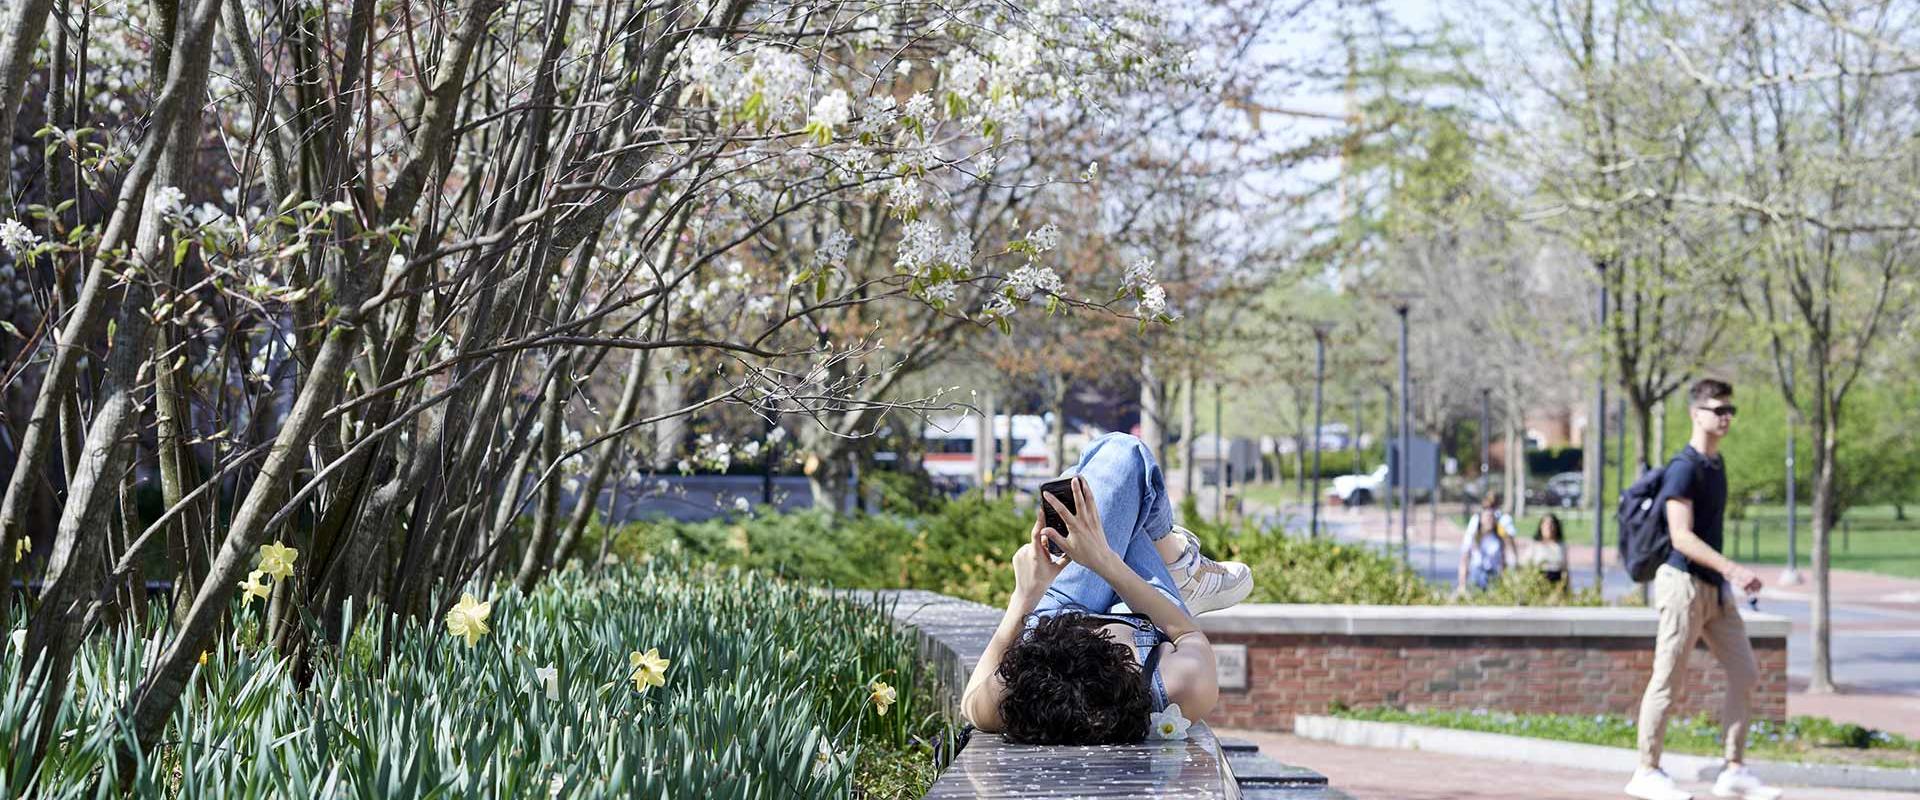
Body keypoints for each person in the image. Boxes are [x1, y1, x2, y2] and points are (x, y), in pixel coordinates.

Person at [960, 432, 1254, 744]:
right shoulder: (1177, 685)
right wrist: (1104, 561)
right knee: (1121, 455)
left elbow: (969, 704)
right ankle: (1179, 565)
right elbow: (1187, 632)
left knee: (1092, 485)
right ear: (1120, 662)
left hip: (1054, 611)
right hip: (1149, 611)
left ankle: (1172, 560)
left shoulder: (1018, 697)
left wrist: (1024, 597)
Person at [1625, 379, 1781, 800]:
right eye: (1717, 410)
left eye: (1730, 410)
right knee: (1667, 680)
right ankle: (1646, 770)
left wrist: (1724, 582)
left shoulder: (1717, 465)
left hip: (1713, 591)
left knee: (1745, 673)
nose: (1725, 417)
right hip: (1682, 585)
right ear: (1697, 414)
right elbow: (1681, 536)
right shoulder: (1685, 467)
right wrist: (1732, 570)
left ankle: (1733, 769)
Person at [1456, 493, 1517, 593]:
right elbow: (1464, 558)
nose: (1489, 520)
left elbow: (1505, 558)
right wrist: (1462, 585)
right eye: (1487, 517)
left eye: (1491, 517)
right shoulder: (1474, 533)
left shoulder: (1499, 533)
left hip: (1493, 574)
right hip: (1477, 573)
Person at [1523, 513, 1570, 590]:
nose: (1549, 527)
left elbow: (1565, 569)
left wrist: (1568, 587)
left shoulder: (1561, 546)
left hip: (1557, 585)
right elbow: (1525, 566)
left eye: (1552, 524)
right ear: (1541, 527)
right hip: (1539, 583)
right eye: (1546, 524)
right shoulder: (1534, 545)